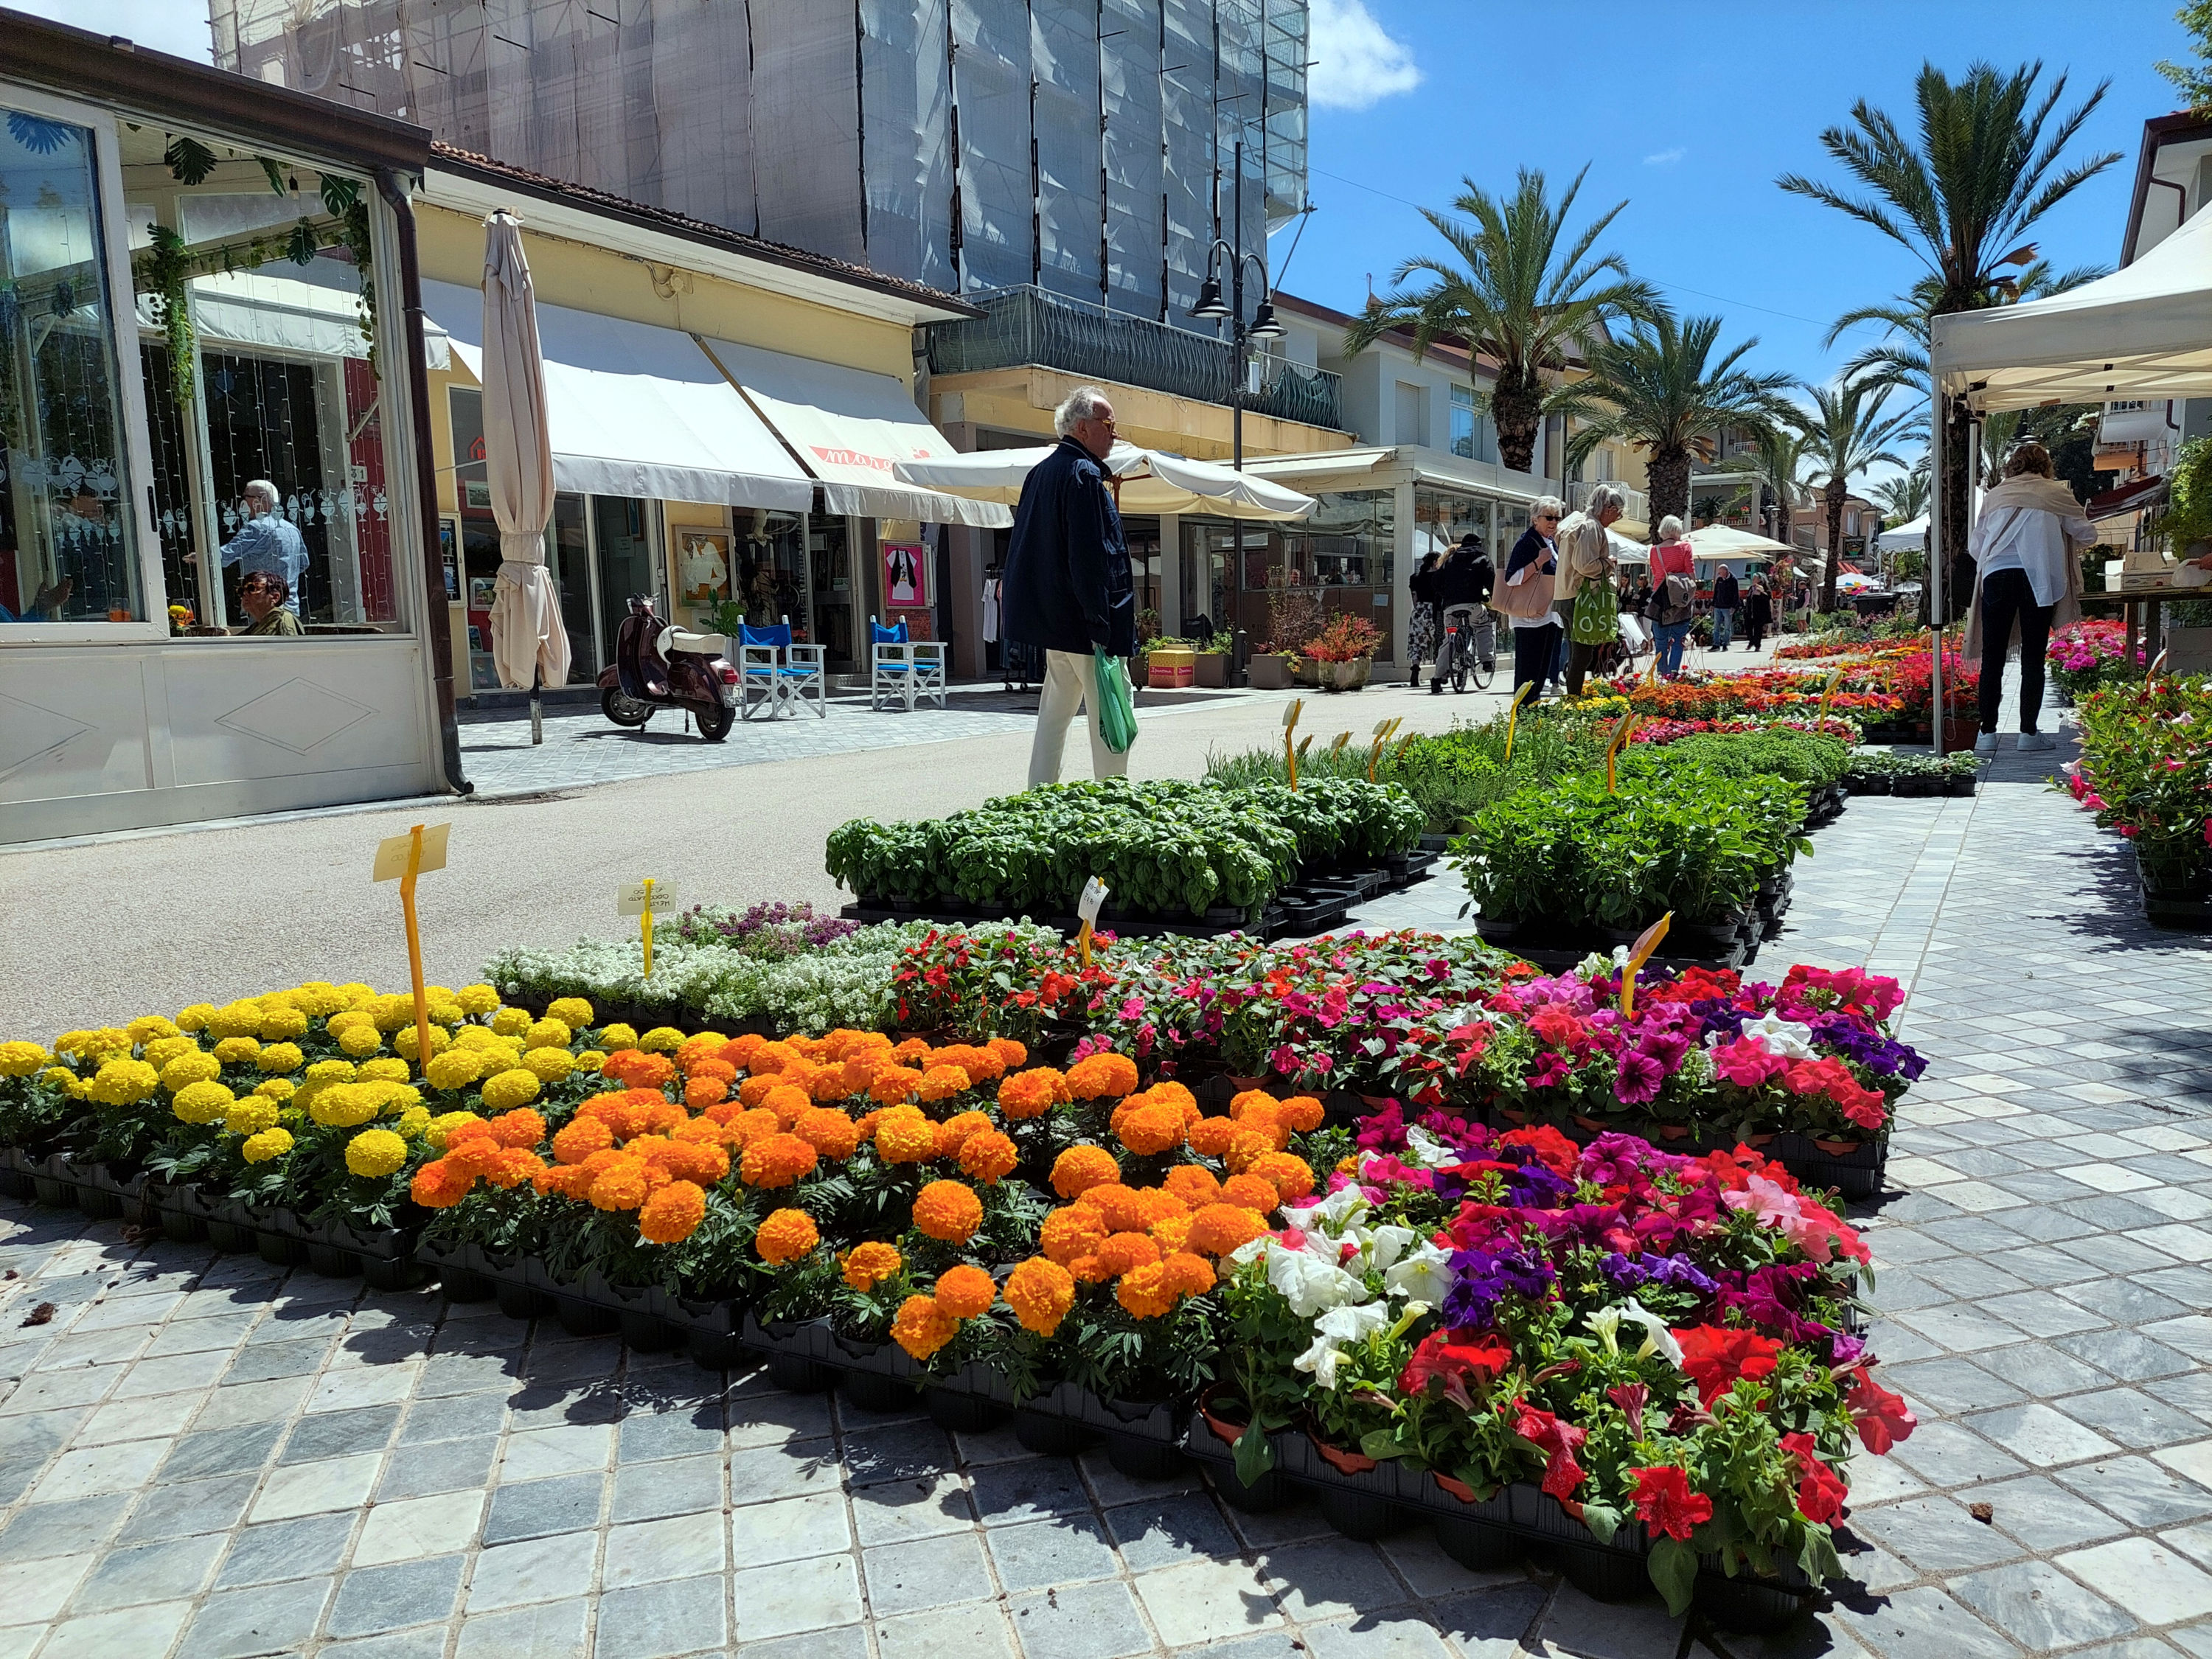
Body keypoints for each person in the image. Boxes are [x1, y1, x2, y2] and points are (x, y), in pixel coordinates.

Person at [1003, 386, 1135, 785]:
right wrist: (1101, 623)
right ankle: (1115, 800)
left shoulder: (1039, 474)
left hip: (1055, 623)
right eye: (1108, 424)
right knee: (1111, 712)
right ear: (1082, 427)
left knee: (1055, 714)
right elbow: (1091, 557)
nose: (1115, 433)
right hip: (1087, 623)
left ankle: (1039, 796)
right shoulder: (1084, 475)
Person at [1964, 440, 2094, 754]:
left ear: (2013, 466)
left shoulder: (1996, 496)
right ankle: (2028, 733)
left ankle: (1986, 733)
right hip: (2040, 580)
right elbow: (2088, 535)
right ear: (2045, 465)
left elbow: (1975, 546)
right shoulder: (2057, 494)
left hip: (1996, 575)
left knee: (1993, 657)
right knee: (2033, 658)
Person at [1555, 484, 1624, 697]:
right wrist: (1608, 563)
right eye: (1618, 513)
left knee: (1577, 653)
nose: (1616, 519)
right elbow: (1585, 565)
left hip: (1565, 594)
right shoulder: (1591, 526)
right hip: (1580, 597)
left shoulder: (1574, 522)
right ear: (1609, 508)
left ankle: (1573, 698)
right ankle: (1574, 701)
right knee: (1582, 655)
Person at [204, 480, 309, 616]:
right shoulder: (292, 529)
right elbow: (303, 564)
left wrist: (199, 557)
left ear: (259, 500)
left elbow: (223, 558)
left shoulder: (256, 527)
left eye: (245, 497)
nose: (242, 503)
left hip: (264, 608)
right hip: (291, 608)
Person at [1499, 498, 1565, 699]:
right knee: (1528, 669)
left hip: (1547, 614)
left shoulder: (1550, 541)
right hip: (1529, 617)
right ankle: (1522, 712)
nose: (1553, 522)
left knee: (1540, 668)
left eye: (1557, 518)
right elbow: (1511, 578)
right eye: (1549, 517)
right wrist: (1538, 561)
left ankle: (1533, 710)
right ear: (1535, 519)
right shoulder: (1527, 541)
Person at [1430, 532, 1496, 692]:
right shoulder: (1482, 559)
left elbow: (1436, 582)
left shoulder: (1449, 559)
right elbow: (1491, 581)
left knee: (1447, 639)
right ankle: (1487, 661)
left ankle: (1437, 679)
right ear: (1479, 545)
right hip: (1473, 604)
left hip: (1450, 607)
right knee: (1483, 627)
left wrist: (1445, 595)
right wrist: (1490, 597)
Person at [1648, 517, 1697, 678]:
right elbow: (1691, 575)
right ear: (1677, 529)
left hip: (1660, 599)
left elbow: (1656, 574)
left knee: (1661, 642)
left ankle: (1662, 675)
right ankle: (1673, 675)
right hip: (1681, 600)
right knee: (1678, 640)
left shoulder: (1655, 550)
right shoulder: (1685, 547)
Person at [1407, 549, 1442, 689]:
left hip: (1418, 611)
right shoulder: (1438, 577)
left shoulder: (1415, 577)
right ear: (1435, 563)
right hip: (1434, 611)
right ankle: (1439, 675)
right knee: (1440, 642)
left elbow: (1414, 598)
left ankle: (1415, 669)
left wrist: (1419, 609)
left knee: (1416, 643)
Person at [237, 569, 303, 636]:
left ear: (275, 597)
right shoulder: (256, 626)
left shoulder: (282, 621)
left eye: (252, 589)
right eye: (241, 591)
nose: (245, 594)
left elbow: (287, 646)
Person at [1711, 566, 1739, 651]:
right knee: (1716, 626)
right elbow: (1715, 593)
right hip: (1718, 606)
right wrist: (1713, 604)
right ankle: (1716, 644)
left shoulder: (1733, 580)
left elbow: (1736, 594)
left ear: (1726, 571)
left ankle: (1725, 644)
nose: (1719, 574)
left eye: (1721, 572)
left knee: (1727, 627)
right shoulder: (1719, 580)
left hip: (1728, 607)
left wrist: (1734, 607)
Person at [1742, 578, 1774, 653]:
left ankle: (1757, 645)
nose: (1753, 580)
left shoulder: (1764, 587)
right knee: (1748, 627)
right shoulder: (1751, 588)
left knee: (1758, 629)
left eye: (1755, 578)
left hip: (1760, 612)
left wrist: (1761, 593)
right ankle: (1751, 641)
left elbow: (1768, 597)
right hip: (1750, 612)